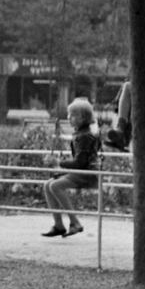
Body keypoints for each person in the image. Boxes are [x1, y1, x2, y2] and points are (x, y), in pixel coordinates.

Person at [44, 97, 100, 237]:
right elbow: (79, 160)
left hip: (87, 175)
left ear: (83, 117)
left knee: (55, 186)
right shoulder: (80, 133)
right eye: (69, 114)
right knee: (47, 185)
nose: (69, 117)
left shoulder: (85, 136)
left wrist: (58, 162)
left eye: (73, 115)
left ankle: (75, 222)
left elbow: (79, 163)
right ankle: (58, 225)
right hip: (81, 173)